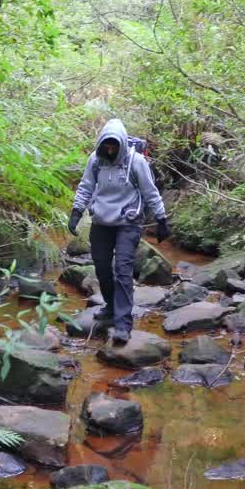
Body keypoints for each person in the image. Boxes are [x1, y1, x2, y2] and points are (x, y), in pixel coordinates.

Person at [68, 119, 169, 343]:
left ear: (122, 144)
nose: (111, 150)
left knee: (122, 270)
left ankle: (123, 323)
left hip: (128, 222)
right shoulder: (96, 160)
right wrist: (76, 213)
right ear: (101, 144)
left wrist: (161, 219)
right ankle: (111, 306)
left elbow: (150, 192)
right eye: (107, 146)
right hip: (101, 222)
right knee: (102, 268)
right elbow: (86, 187)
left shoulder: (137, 161)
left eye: (114, 146)